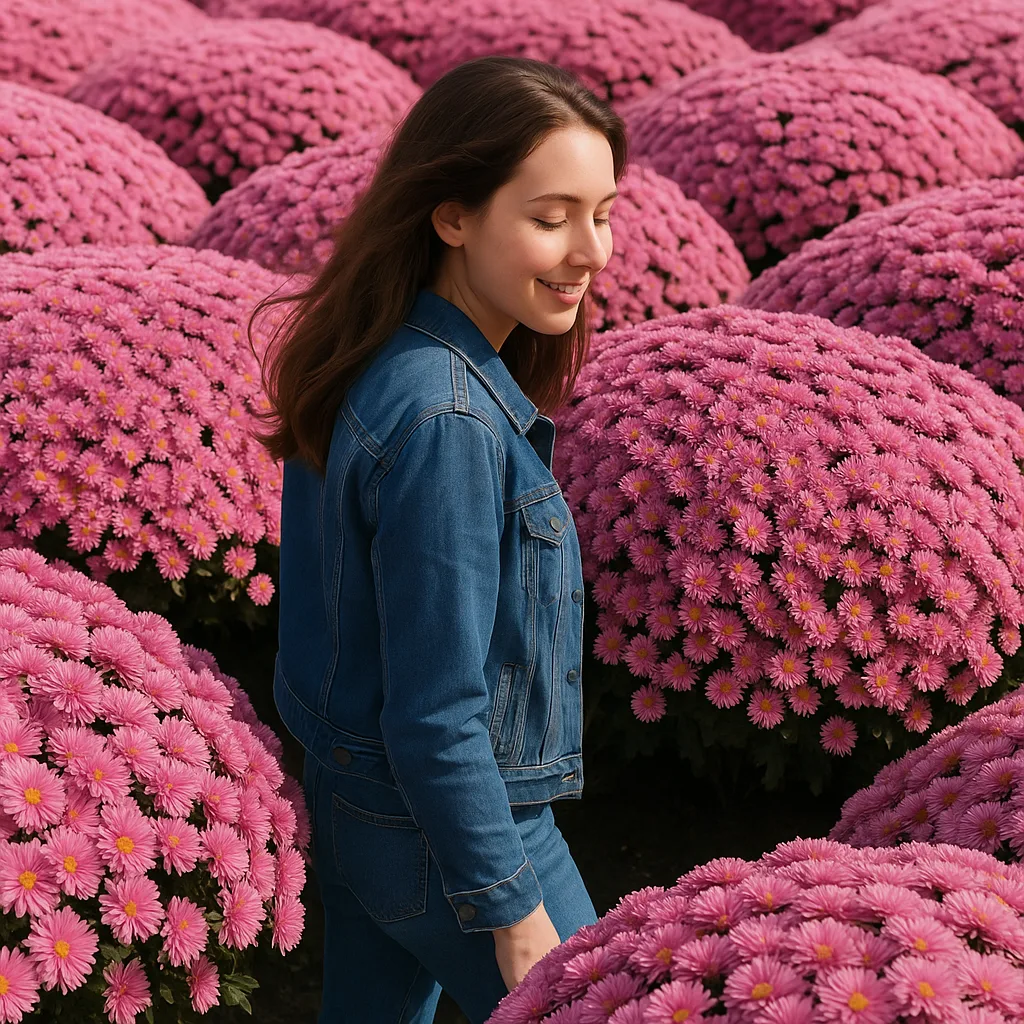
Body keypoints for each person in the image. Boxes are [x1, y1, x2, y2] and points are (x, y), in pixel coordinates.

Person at [250, 55, 627, 1024]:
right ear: (452, 214)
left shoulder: (375, 355)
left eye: (603, 211)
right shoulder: (448, 420)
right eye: (551, 217)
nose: (592, 249)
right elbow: (436, 713)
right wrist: (510, 904)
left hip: (360, 808)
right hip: (460, 831)